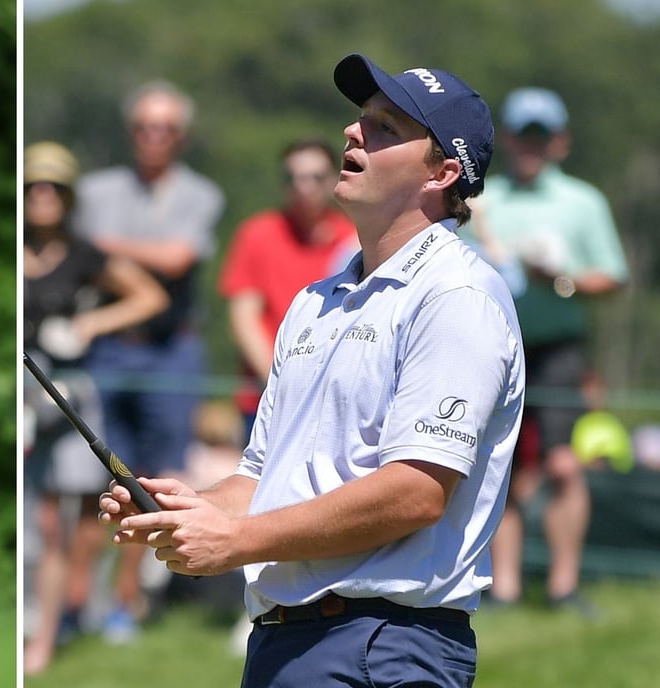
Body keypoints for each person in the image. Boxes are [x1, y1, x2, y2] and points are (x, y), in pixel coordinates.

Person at [100, 54, 525, 687]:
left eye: (385, 127)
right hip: (285, 642)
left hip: (383, 646)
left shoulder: (458, 296)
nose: (354, 133)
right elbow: (262, 477)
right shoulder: (313, 301)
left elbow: (416, 490)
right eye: (361, 120)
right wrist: (194, 509)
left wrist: (240, 542)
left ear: (442, 173)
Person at [460, 86, 628, 614]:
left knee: (562, 466)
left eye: (541, 135)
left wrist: (561, 279)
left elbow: (612, 277)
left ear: (558, 141)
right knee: (498, 466)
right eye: (523, 135)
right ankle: (503, 587)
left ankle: (563, 585)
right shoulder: (481, 199)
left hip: (557, 348)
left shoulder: (582, 201)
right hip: (493, 343)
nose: (531, 145)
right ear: (508, 139)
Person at [71, 80, 225, 643]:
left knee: (154, 479)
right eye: (143, 126)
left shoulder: (200, 193)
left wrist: (106, 247)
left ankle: (128, 600)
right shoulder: (95, 190)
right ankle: (76, 600)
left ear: (180, 137)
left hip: (171, 348)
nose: (153, 137)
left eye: (165, 128)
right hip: (109, 346)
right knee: (92, 476)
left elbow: (177, 258)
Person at [21, 140, 168, 674]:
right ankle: (39, 623)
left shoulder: (84, 254)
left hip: (65, 393)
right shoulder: (13, 248)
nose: (42, 196)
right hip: (19, 389)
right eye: (34, 186)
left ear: (67, 196)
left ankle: (58, 625)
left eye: (53, 187)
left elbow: (148, 295)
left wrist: (89, 324)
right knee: (36, 519)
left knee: (74, 518)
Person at [218, 138, 357, 447]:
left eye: (315, 178)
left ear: (335, 178)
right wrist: (280, 385)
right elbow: (244, 318)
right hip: (264, 401)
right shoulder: (257, 234)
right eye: (293, 178)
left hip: (331, 405)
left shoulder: (354, 241)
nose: (303, 187)